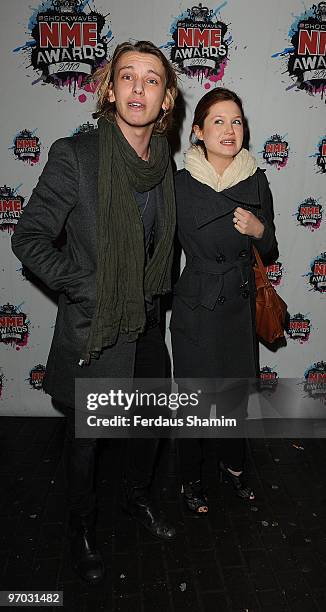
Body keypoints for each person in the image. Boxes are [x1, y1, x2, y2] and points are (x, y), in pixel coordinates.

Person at [11, 40, 178, 583]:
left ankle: (134, 498)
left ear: (167, 99)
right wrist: (84, 284)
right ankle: (80, 526)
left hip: (148, 322)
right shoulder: (75, 155)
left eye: (152, 79)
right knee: (87, 443)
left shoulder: (163, 162)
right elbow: (30, 237)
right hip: (99, 329)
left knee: (150, 427)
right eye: (127, 76)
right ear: (109, 90)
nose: (138, 87)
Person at [170, 87, 278, 514]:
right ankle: (190, 478)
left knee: (233, 398)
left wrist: (257, 231)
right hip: (197, 306)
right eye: (218, 120)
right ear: (198, 131)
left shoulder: (256, 178)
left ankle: (234, 468)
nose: (229, 129)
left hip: (236, 304)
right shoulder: (177, 184)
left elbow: (268, 249)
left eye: (236, 120)